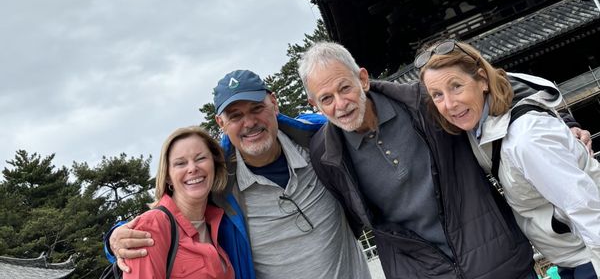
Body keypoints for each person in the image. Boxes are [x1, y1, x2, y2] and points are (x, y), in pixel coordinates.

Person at [299, 40, 558, 279]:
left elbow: (495, 87)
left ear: (363, 79)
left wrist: (562, 124)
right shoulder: (325, 155)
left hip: (498, 261)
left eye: (345, 88)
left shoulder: (422, 102)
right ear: (314, 104)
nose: (341, 104)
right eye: (326, 99)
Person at [107, 70, 370, 279]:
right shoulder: (220, 187)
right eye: (235, 115)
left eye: (257, 108)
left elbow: (369, 117)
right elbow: (171, 215)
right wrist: (114, 238)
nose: (249, 122)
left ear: (274, 103)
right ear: (221, 123)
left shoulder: (321, 143)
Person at [419, 39, 600, 279]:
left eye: (456, 86)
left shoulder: (527, 139)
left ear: (482, 79)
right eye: (437, 95)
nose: (449, 104)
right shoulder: (477, 126)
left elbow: (586, 207)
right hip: (569, 257)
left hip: (589, 256)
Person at [125, 125, 235, 279]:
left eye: (201, 158)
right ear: (168, 176)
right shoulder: (152, 225)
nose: (192, 168)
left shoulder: (219, 221)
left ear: (214, 165)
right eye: (180, 163)